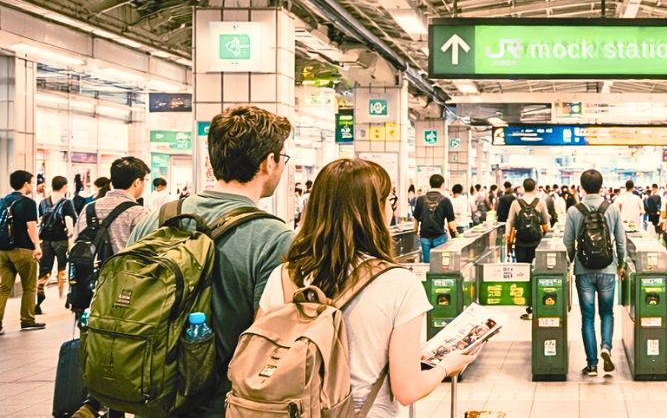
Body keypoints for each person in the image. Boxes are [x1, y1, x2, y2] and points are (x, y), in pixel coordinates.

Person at [258, 159, 478, 417]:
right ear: (373, 210)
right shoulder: (399, 284)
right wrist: (446, 366)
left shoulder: (284, 276)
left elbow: (262, 353)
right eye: (389, 200)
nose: (392, 208)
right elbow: (407, 389)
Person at [126, 105, 295, 418]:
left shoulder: (155, 221)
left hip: (150, 395)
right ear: (268, 162)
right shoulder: (274, 237)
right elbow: (270, 340)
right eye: (282, 159)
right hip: (224, 405)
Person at [564, 169, 626, 378]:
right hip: (608, 268)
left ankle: (591, 365)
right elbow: (620, 240)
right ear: (602, 186)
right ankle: (606, 347)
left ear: (582, 187)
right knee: (607, 313)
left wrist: (570, 263)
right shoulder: (612, 209)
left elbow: (567, 243)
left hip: (584, 269)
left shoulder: (574, 210)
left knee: (587, 318)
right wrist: (622, 262)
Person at [0, 170, 45, 332]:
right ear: (26, 184)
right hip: (23, 250)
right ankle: (27, 320)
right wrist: (37, 246)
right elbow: (31, 226)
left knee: (3, 288)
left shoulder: (2, 201)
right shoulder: (28, 203)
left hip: (3, 250)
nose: (32, 186)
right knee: (29, 287)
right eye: (32, 182)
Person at [76, 157, 151, 255]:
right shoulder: (139, 212)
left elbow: (77, 239)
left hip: (91, 269)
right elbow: (147, 251)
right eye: (146, 180)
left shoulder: (89, 208)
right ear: (137, 182)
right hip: (124, 269)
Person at [507, 178, 550, 320]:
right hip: (537, 243)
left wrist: (508, 241)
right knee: (537, 273)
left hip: (521, 243)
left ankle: (527, 304)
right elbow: (545, 225)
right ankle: (537, 303)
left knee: (523, 274)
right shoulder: (541, 202)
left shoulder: (516, 203)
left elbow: (511, 223)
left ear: (523, 188)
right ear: (536, 187)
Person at [36, 175, 76, 313]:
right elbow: (69, 220)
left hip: (45, 241)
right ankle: (62, 297)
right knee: (62, 268)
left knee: (44, 270)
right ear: (64, 186)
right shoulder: (67, 202)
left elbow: (40, 221)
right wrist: (71, 235)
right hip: (61, 240)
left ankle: (38, 301)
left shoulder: (42, 202)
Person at [412, 174, 457, 263]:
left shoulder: (420, 199)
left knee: (427, 264)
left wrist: (415, 234)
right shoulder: (445, 200)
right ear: (442, 184)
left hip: (424, 236)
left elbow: (416, 219)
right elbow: (451, 223)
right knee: (439, 265)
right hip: (440, 236)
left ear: (430, 184)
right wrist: (455, 236)